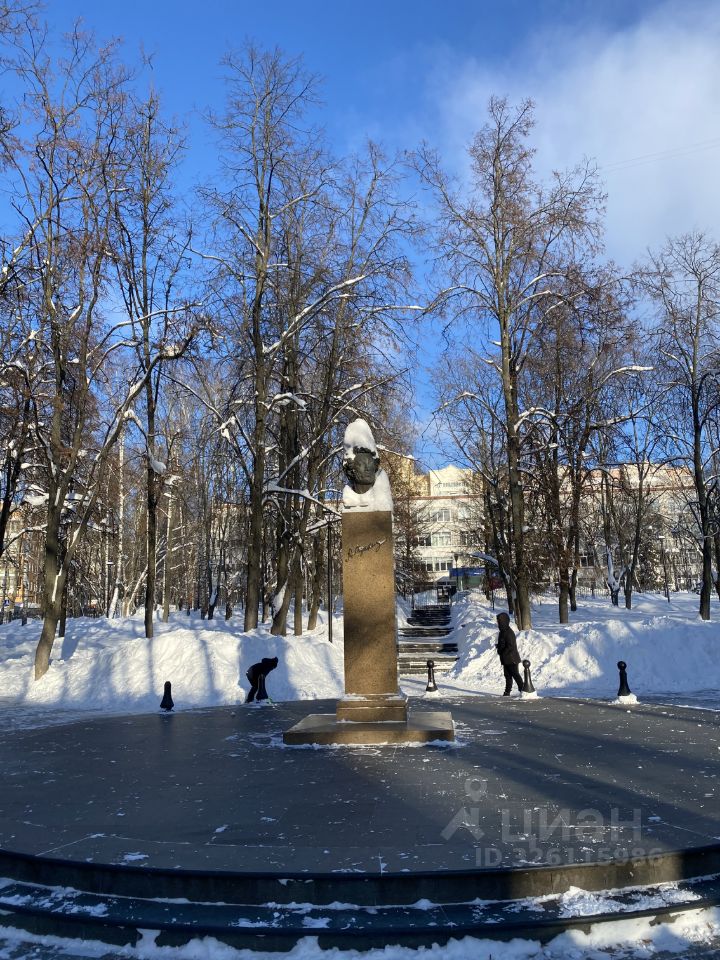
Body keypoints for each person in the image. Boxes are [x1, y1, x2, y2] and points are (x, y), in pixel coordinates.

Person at [495, 612, 523, 696]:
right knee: (507, 676)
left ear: (504, 621)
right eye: (498, 621)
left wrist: (502, 651)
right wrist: (499, 647)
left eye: (499, 621)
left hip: (511, 658)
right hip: (506, 658)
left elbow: (510, 646)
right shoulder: (502, 632)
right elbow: (503, 643)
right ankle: (507, 692)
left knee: (515, 675)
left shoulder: (509, 632)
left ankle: (523, 690)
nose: (498, 623)